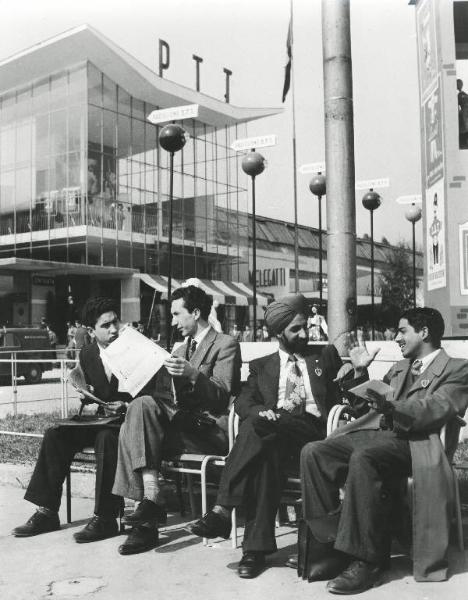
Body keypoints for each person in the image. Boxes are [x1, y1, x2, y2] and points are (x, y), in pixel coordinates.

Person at [190, 293, 369, 579]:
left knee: (257, 428)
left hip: (315, 435)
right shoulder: (262, 365)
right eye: (295, 329)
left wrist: (359, 370)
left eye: (305, 327)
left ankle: (224, 511)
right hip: (274, 437)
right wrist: (263, 411)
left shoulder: (324, 355)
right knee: (263, 447)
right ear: (278, 333)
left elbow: (355, 402)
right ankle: (255, 550)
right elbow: (243, 402)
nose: (303, 334)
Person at [298, 307, 468, 594]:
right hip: (379, 434)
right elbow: (366, 407)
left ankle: (368, 560)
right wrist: (361, 372)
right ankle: (328, 545)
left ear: (424, 332)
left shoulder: (457, 368)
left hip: (417, 444)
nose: (397, 339)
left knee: (364, 457)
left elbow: (437, 408)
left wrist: (392, 406)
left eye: (402, 331)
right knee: (314, 451)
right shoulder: (401, 367)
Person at [12, 297, 157, 544]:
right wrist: (87, 393)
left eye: (116, 322)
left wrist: (126, 405)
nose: (114, 329)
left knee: (106, 439)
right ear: (91, 331)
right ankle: (47, 511)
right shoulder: (88, 353)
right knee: (55, 434)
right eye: (106, 325)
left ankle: (106, 517)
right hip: (102, 419)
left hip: (129, 425)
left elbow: (151, 395)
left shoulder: (136, 351)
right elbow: (98, 389)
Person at [112, 285, 241, 555]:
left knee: (131, 427)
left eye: (176, 314)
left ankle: (145, 522)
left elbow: (222, 396)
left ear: (195, 313)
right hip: (181, 425)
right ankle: (150, 498)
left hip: (207, 430)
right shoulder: (180, 349)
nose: (171, 321)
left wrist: (194, 374)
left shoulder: (226, 344)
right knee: (140, 406)